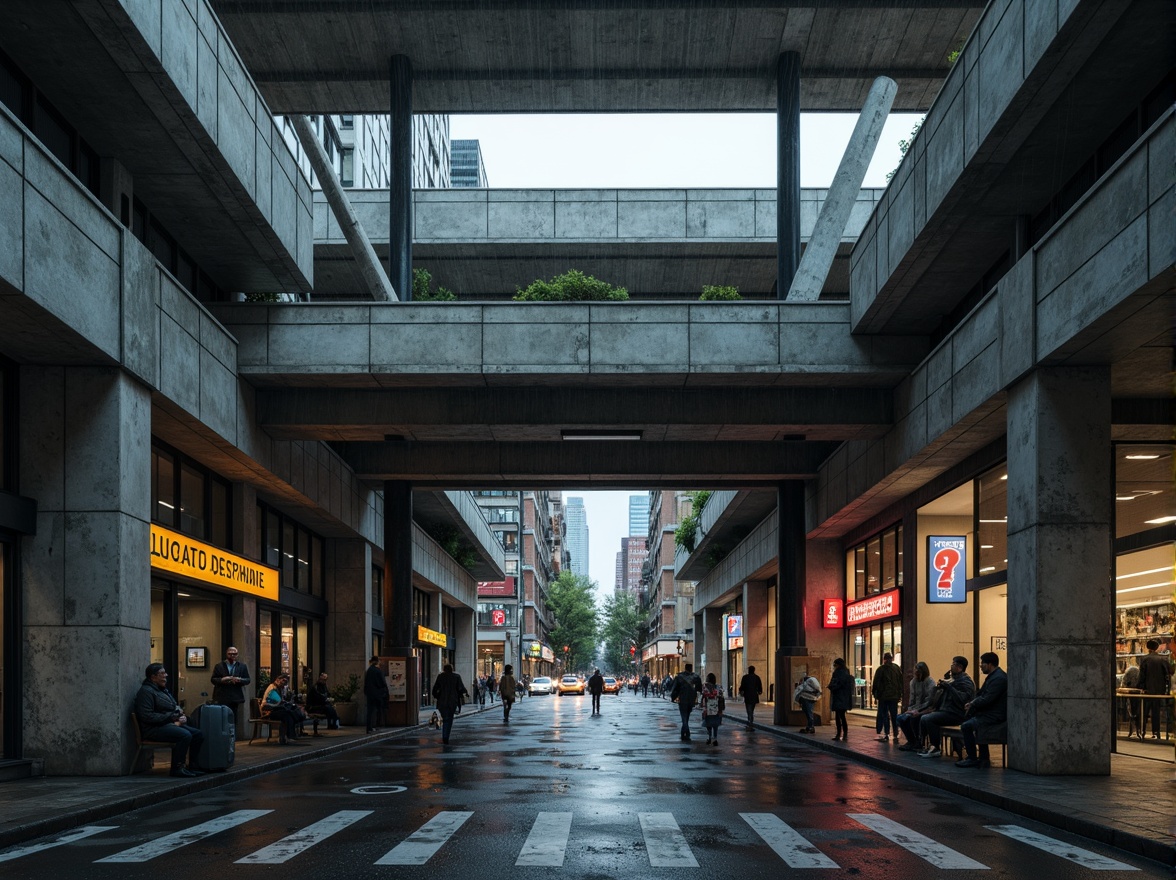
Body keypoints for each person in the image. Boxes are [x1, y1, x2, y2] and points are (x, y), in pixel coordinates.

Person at [134, 663, 205, 778]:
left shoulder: (161, 689)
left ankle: (193, 766)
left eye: (165, 673)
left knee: (197, 734)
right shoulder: (146, 692)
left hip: (167, 724)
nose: (165, 676)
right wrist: (171, 717)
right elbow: (147, 716)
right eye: (162, 673)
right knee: (185, 735)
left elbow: (173, 707)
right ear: (153, 677)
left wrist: (180, 716)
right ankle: (177, 768)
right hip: (153, 729)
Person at [916, 656, 975, 758]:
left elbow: (963, 699)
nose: (951, 666)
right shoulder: (952, 679)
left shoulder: (966, 681)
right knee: (922, 717)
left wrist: (949, 687)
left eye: (953, 664)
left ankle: (935, 747)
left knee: (928, 718)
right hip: (946, 711)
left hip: (956, 713)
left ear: (960, 667)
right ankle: (924, 744)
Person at [956, 652, 1007, 768]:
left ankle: (972, 757)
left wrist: (973, 703)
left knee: (966, 726)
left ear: (989, 664)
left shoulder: (999, 678)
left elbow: (988, 698)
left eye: (982, 663)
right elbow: (981, 694)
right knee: (969, 722)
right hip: (989, 713)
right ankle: (983, 757)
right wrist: (973, 703)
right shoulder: (994, 676)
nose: (980, 666)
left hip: (994, 715)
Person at [896, 661, 937, 751]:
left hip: (926, 709)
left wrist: (918, 711)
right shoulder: (913, 682)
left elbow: (929, 701)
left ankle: (918, 741)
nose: (917, 675)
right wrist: (910, 709)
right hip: (915, 708)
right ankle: (911, 740)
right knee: (900, 718)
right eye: (916, 673)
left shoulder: (930, 682)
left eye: (919, 673)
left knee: (914, 718)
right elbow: (912, 699)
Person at [1138, 639, 1172, 740]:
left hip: (1147, 690)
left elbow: (1142, 676)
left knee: (1145, 711)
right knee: (1156, 711)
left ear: (1148, 648)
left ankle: (1143, 731)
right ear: (1157, 648)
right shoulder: (1163, 659)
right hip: (1159, 691)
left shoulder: (1145, 659)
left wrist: (1139, 686)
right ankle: (1156, 731)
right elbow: (1169, 673)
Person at [210, 646, 250, 729]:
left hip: (235, 696)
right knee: (222, 716)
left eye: (234, 654)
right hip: (221, 695)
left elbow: (248, 680)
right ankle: (222, 735)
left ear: (237, 655)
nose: (232, 656)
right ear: (226, 654)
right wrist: (222, 680)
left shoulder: (242, 666)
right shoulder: (219, 666)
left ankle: (232, 736)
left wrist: (240, 680)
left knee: (233, 717)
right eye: (230, 654)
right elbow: (213, 680)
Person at [431, 663, 470, 744]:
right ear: (452, 669)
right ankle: (446, 736)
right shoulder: (456, 677)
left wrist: (437, 696)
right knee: (449, 719)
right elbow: (461, 688)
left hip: (442, 701)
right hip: (452, 701)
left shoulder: (440, 677)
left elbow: (435, 689)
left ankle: (444, 736)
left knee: (444, 718)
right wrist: (465, 693)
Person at [261, 673, 304, 744]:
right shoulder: (272, 688)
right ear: (278, 680)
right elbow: (273, 702)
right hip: (270, 711)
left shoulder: (280, 688)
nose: (284, 683)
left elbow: (281, 701)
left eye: (286, 681)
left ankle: (289, 736)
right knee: (287, 714)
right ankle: (289, 736)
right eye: (283, 680)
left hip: (277, 709)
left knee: (290, 713)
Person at [871, 652, 903, 741]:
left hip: (884, 697)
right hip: (894, 696)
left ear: (884, 659)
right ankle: (895, 733)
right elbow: (900, 681)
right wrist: (900, 693)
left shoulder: (881, 669)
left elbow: (876, 683)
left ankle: (887, 733)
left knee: (885, 715)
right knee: (894, 715)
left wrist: (875, 694)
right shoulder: (896, 668)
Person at [669, 663, 702, 741]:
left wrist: (673, 697)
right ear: (691, 668)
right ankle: (685, 729)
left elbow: (674, 688)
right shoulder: (695, 677)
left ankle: (685, 727)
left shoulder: (680, 677)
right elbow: (699, 689)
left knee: (683, 715)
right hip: (691, 699)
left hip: (682, 698)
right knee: (687, 714)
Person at [828, 658, 855, 742]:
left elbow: (835, 684)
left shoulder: (837, 673)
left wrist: (831, 687)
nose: (834, 667)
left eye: (835, 665)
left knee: (838, 717)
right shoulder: (847, 672)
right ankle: (845, 734)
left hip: (838, 697)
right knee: (842, 716)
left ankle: (838, 734)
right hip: (845, 698)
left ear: (838, 665)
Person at [699, 672, 725, 746]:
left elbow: (703, 696)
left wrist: (701, 705)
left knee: (708, 723)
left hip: (708, 707)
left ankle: (709, 737)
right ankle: (715, 738)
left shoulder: (705, 687)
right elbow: (721, 698)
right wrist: (721, 708)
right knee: (715, 724)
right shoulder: (719, 687)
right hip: (716, 707)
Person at [363, 656, 386, 733]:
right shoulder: (378, 671)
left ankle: (369, 727)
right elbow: (382, 683)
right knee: (378, 710)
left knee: (370, 711)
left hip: (370, 693)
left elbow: (366, 683)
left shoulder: (369, 671)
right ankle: (376, 725)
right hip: (377, 693)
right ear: (377, 661)